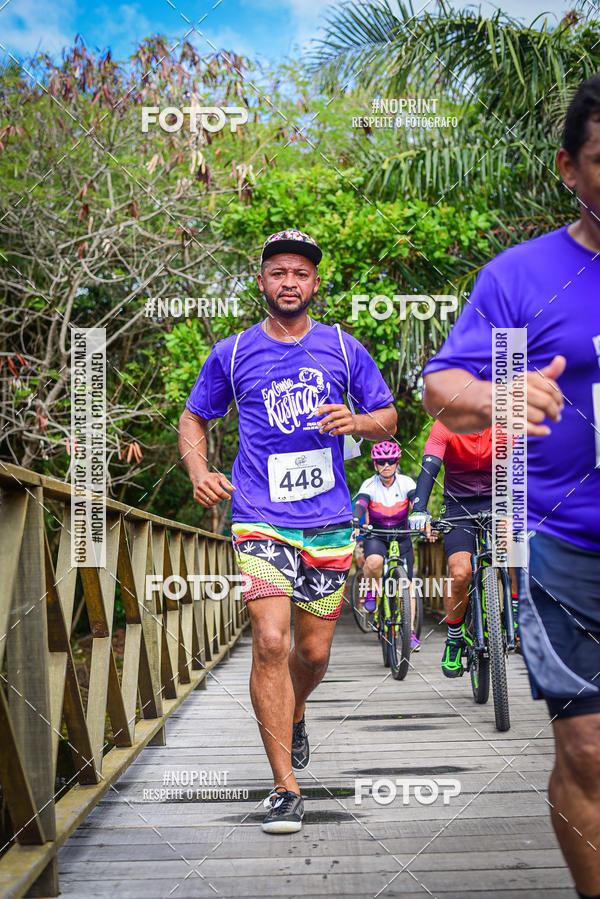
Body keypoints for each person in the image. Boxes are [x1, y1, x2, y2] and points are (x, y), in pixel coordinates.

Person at [421, 77, 600, 899]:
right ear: (569, 167)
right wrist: (501, 392)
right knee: (588, 750)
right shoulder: (522, 275)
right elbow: (438, 387)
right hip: (562, 538)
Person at [178, 228, 397, 834]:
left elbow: (388, 417)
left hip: (327, 520)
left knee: (313, 651)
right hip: (259, 516)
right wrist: (199, 469)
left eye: (300, 274)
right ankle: (284, 787)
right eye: (279, 273)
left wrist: (357, 422)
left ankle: (294, 712)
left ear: (315, 284)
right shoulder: (233, 352)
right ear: (262, 282)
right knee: (271, 642)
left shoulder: (344, 350)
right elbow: (195, 415)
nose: (290, 283)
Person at [409, 423, 520, 672]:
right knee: (460, 573)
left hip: (498, 500)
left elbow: (526, 465)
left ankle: (516, 611)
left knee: (515, 547)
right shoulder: (445, 425)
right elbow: (430, 467)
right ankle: (455, 637)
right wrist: (419, 507)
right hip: (458, 505)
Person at [351, 442, 419, 650]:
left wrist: (421, 517)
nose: (386, 465)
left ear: (396, 463)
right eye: (381, 462)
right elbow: (361, 504)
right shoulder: (369, 485)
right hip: (377, 534)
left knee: (406, 585)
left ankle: (411, 633)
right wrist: (355, 521)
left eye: (390, 461)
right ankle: (372, 591)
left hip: (402, 534)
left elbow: (416, 501)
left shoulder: (406, 482)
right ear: (375, 465)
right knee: (373, 562)